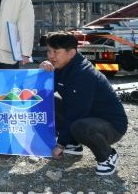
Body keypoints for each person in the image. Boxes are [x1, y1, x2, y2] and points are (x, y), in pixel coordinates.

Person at [40, 31, 127, 175]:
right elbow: (45, 91)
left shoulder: (83, 74)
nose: (51, 56)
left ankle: (108, 156)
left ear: (71, 53)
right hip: (88, 116)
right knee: (50, 101)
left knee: (80, 126)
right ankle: (73, 144)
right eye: (49, 51)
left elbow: (75, 114)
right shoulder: (63, 67)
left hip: (111, 126)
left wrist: (60, 144)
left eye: (56, 52)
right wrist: (43, 73)